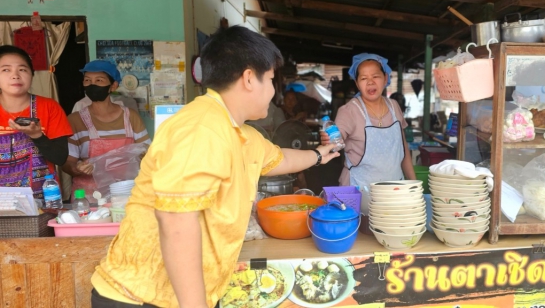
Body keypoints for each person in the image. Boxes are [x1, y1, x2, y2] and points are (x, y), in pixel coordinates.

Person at [90, 26, 339, 307]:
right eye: (270, 79)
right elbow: (175, 223)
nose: (272, 91)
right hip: (140, 298)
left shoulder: (240, 133)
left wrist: (319, 154)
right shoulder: (201, 128)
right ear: (248, 78)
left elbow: (280, 159)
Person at [321, 53, 416, 189]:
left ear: (385, 78)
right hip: (359, 191)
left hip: (394, 191)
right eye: (364, 78)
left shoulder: (394, 106)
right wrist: (330, 140)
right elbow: (337, 137)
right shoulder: (349, 111)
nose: (370, 82)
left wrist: (414, 186)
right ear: (357, 83)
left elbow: (403, 149)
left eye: (375, 76)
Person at [62, 60, 151, 204]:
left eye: (99, 80)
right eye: (87, 80)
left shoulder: (130, 117)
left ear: (113, 85)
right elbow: (67, 163)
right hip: (88, 199)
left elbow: (148, 153)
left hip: (127, 195)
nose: (92, 85)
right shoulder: (75, 120)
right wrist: (78, 168)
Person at [0, 45, 73, 200]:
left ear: (32, 75)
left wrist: (37, 136)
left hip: (41, 204)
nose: (15, 76)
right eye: (6, 70)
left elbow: (60, 158)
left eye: (22, 69)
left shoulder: (49, 107)